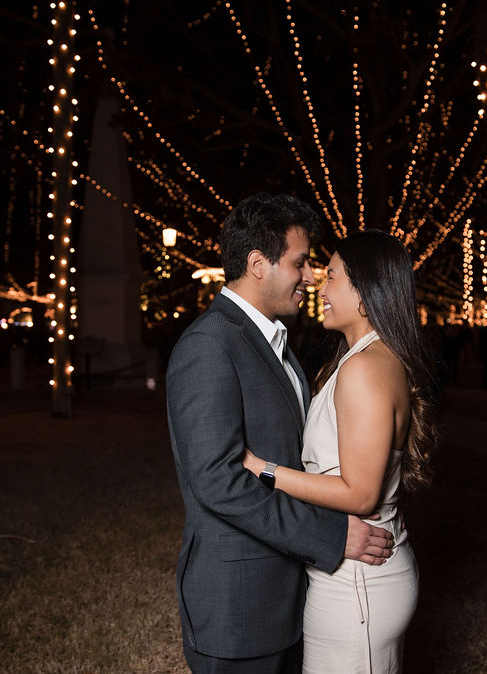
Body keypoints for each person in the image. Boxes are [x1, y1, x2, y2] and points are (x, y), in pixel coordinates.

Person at [166, 193, 396, 673]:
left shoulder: (278, 342)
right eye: (300, 262)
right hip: (239, 610)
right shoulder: (208, 346)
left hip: (291, 597)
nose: (310, 276)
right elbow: (218, 483)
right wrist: (330, 538)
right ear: (257, 264)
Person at [242, 230, 438, 673]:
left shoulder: (366, 369)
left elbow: (361, 494)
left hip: (357, 585)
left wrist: (263, 469)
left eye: (332, 276)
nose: (319, 286)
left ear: (365, 293)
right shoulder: (364, 358)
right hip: (359, 573)